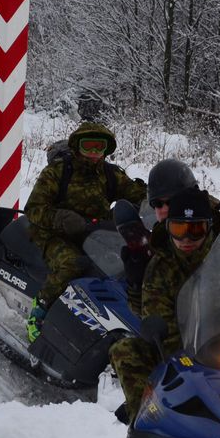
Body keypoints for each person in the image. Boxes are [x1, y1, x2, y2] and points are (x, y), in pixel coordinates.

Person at [110, 185, 220, 423]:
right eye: (178, 229)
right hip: (187, 352)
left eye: (195, 230)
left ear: (208, 227)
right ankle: (147, 425)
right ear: (168, 228)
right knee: (125, 351)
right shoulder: (160, 268)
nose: (186, 238)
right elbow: (161, 327)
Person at [23, 121, 147, 340]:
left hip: (96, 232)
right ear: (76, 146)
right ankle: (40, 308)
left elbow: (139, 194)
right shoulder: (57, 172)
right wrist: (61, 218)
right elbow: (33, 209)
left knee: (128, 263)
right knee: (71, 264)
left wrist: (165, 202)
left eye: (99, 147)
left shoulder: (110, 174)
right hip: (53, 233)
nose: (93, 153)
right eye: (87, 146)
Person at [118, 158, 200, 315]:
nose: (164, 209)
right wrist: (137, 282)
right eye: (157, 204)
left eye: (172, 201)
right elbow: (147, 312)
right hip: (188, 331)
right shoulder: (159, 249)